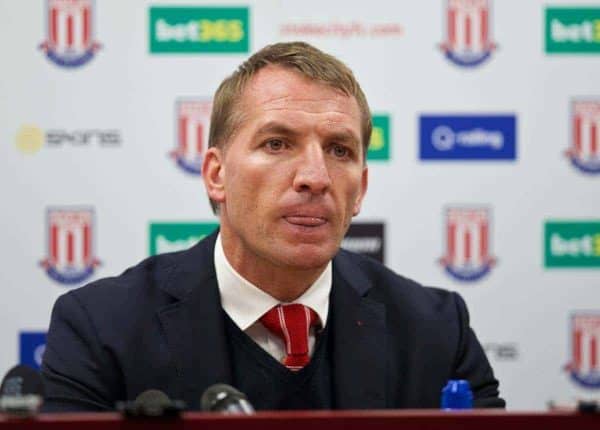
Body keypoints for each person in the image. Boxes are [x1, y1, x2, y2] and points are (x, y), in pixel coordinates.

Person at [41, 42, 505, 411]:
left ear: (360, 189)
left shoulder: (438, 332)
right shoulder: (101, 328)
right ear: (216, 174)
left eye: (339, 150)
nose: (315, 177)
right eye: (278, 143)